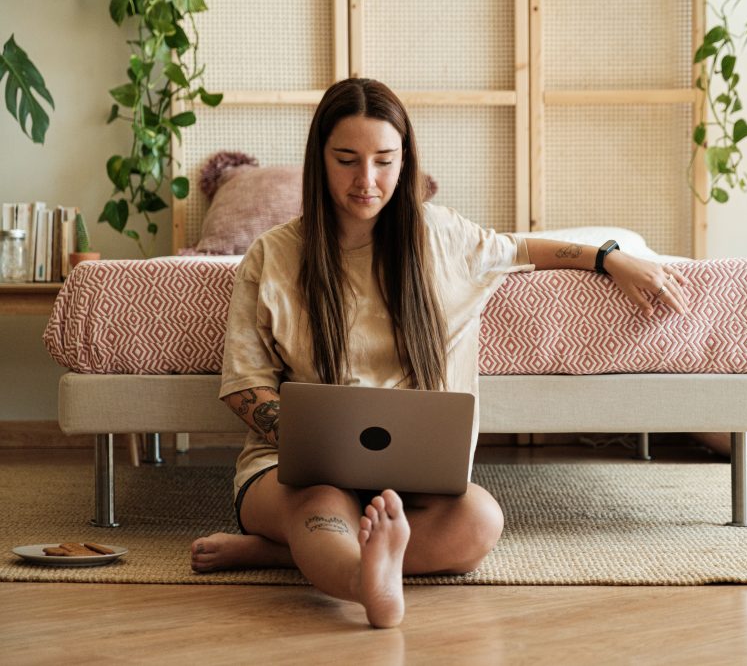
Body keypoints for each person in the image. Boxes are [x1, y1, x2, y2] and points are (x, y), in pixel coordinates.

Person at [189, 77, 686, 628]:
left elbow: (524, 247)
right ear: (319, 161)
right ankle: (362, 583)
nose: (366, 181)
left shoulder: (443, 237)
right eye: (347, 160)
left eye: (384, 160)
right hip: (295, 471)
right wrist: (317, 447)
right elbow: (244, 384)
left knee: (479, 520)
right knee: (321, 505)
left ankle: (283, 556)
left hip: (410, 479)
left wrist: (609, 257)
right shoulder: (274, 255)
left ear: (405, 162)